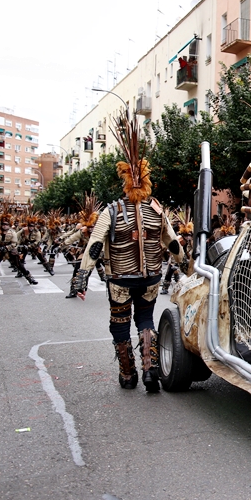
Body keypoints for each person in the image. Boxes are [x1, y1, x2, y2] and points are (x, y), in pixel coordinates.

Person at [73, 109, 183, 392]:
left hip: (120, 279)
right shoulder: (156, 209)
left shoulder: (111, 211)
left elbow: (95, 246)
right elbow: (172, 243)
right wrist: (187, 266)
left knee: (119, 324)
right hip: (150, 279)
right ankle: (150, 371)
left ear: (125, 181)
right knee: (145, 319)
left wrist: (81, 278)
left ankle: (128, 374)